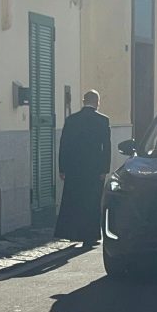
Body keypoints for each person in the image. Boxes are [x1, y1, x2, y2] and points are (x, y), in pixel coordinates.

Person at [55, 90, 111, 247]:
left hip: (74, 169)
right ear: (97, 102)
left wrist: (62, 168)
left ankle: (72, 232)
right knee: (92, 203)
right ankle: (90, 235)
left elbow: (64, 145)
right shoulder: (102, 120)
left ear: (84, 101)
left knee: (74, 201)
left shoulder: (71, 120)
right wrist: (104, 169)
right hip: (94, 170)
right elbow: (106, 147)